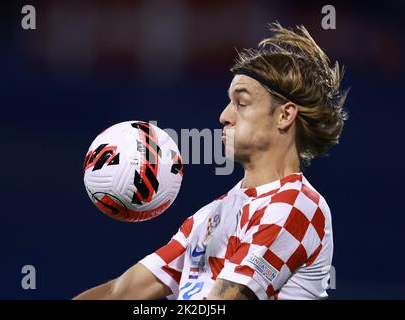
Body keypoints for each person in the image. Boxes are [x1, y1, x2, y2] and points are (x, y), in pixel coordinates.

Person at [74, 23, 348, 300]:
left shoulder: (297, 206)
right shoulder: (210, 217)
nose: (224, 115)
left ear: (284, 116)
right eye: (229, 102)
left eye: (241, 103)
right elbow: (117, 293)